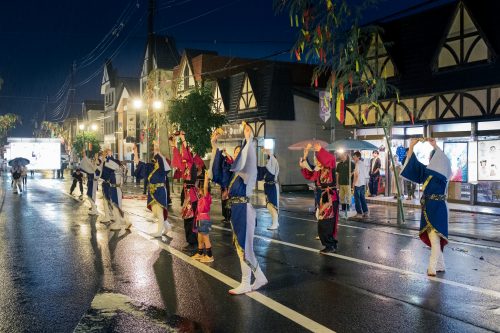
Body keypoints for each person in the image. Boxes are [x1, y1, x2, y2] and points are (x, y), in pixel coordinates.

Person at [211, 123, 268, 295]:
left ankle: (245, 282)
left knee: (243, 247)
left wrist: (248, 139)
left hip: (244, 209)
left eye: (239, 152)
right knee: (243, 247)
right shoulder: (234, 175)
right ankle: (259, 277)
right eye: (235, 153)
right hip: (237, 210)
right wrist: (214, 145)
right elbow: (217, 173)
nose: (237, 155)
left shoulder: (247, 172)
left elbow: (248, 157)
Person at [401, 138, 451, 276]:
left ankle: (432, 267)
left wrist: (435, 146)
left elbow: (444, 159)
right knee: (435, 238)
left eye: (432, 157)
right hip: (428, 207)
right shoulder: (427, 171)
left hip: (439, 208)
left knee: (435, 238)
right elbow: (413, 164)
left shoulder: (443, 174)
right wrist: (411, 146)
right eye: (431, 157)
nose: (431, 160)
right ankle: (440, 265)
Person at [300, 143, 340, 254]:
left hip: (330, 197)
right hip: (324, 197)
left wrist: (320, 150)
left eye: (318, 159)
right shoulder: (319, 170)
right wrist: (305, 154)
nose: (317, 161)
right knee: (323, 221)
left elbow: (330, 159)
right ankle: (329, 244)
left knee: (327, 222)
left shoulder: (330, 166)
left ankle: (330, 245)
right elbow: (309, 172)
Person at [134, 144, 172, 238]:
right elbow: (140, 164)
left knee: (159, 212)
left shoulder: (162, 168)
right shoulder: (151, 167)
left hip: (160, 191)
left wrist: (158, 152)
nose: (155, 159)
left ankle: (159, 232)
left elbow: (166, 166)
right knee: (156, 212)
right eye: (155, 158)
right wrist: (135, 152)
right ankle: (167, 226)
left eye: (157, 157)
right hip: (152, 191)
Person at [171, 132, 199, 251]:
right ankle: (190, 241)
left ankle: (193, 242)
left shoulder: (191, 163)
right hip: (186, 193)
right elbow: (177, 158)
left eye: (185, 153)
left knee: (191, 218)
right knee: (187, 218)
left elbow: (185, 151)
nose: (183, 154)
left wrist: (182, 139)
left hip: (191, 193)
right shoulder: (185, 166)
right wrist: (173, 145)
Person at [101, 149, 130, 230]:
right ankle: (126, 222)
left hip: (116, 187)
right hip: (113, 187)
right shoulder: (114, 163)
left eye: (107, 153)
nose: (106, 155)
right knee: (116, 206)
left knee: (117, 206)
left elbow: (110, 164)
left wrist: (107, 157)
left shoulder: (114, 163)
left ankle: (120, 223)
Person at [191, 170, 214, 263]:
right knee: (200, 238)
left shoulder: (206, 197)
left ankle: (209, 256)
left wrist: (206, 178)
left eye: (200, 189)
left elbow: (205, 187)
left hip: (204, 219)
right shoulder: (201, 198)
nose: (199, 190)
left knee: (205, 238)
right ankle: (200, 254)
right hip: (200, 219)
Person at [257, 149, 280, 230]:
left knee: (272, 205)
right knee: (269, 205)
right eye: (267, 161)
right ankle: (276, 222)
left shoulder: (274, 165)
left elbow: (273, 161)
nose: (268, 162)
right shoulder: (267, 168)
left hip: (273, 187)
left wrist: (270, 153)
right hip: (268, 187)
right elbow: (259, 171)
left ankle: (275, 223)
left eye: (269, 160)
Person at [80, 151, 102, 215]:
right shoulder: (95, 167)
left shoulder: (97, 168)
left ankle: (95, 209)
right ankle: (94, 209)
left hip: (93, 182)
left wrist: (96, 159)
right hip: (91, 182)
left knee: (90, 196)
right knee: (91, 196)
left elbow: (90, 165)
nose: (94, 161)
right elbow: (89, 165)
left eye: (96, 161)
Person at [352, 151, 369, 218]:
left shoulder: (357, 164)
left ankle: (359, 213)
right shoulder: (362, 163)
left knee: (357, 199)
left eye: (355, 157)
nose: (353, 158)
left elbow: (356, 175)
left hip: (358, 183)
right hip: (363, 183)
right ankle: (365, 212)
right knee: (362, 198)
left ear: (358, 157)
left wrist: (353, 183)